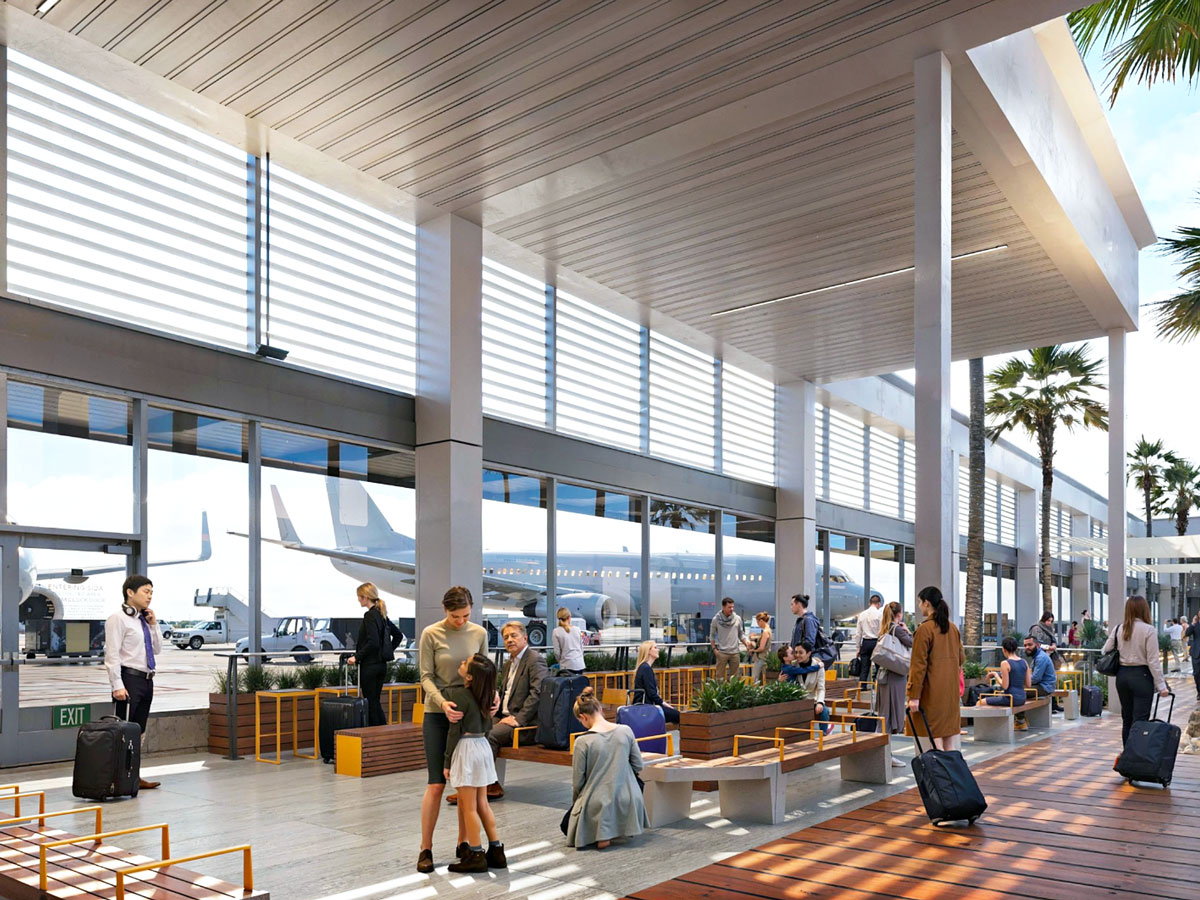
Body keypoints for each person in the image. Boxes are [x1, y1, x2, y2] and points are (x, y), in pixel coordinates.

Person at [416, 586, 489, 874]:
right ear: (445, 610)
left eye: (466, 615)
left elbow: (485, 673)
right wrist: (443, 703)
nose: (461, 621)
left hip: (468, 716)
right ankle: (425, 848)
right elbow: (425, 676)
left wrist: (491, 698)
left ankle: (464, 845)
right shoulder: (430, 634)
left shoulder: (479, 634)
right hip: (437, 714)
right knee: (436, 784)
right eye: (455, 616)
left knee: (466, 786)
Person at [447, 620, 547, 806]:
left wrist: (519, 719)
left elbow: (538, 693)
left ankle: (488, 786)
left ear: (525, 637)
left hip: (526, 724)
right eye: (506, 637)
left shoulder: (535, 660)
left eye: (514, 636)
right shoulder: (509, 663)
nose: (509, 640)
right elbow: (503, 691)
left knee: (488, 736)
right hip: (502, 716)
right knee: (471, 730)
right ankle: (467, 785)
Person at [442, 654, 505, 873]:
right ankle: (496, 850)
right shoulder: (487, 696)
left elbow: (453, 732)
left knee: (468, 807)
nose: (459, 663)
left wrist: (447, 762)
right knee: (482, 804)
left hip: (466, 748)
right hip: (483, 746)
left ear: (469, 676)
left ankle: (476, 854)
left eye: (462, 663)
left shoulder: (459, 695)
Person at [565, 687, 648, 850]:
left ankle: (603, 833)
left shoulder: (582, 741)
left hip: (598, 802)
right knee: (619, 798)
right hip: (630, 799)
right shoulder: (626, 731)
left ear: (582, 717)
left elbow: (578, 782)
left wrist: (577, 804)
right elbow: (638, 765)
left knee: (567, 823)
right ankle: (620, 826)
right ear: (600, 709)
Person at [104, 574, 162, 791]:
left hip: (147, 680)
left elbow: (157, 649)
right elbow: (112, 655)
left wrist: (154, 625)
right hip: (129, 680)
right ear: (130, 592)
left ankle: (133, 775)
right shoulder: (117, 619)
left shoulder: (143, 621)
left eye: (151, 593)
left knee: (139, 732)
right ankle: (115, 778)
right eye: (146, 592)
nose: (149, 597)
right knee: (122, 732)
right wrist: (117, 684)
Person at [1100, 595, 1169, 746]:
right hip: (1142, 677)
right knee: (1140, 720)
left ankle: (1127, 756)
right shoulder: (1149, 630)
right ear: (1145, 609)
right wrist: (1162, 686)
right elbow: (1153, 661)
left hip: (1123, 676)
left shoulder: (1119, 628)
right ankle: (1137, 757)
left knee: (1127, 718)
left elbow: (1105, 650)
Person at [906, 586, 965, 751]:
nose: (919, 606)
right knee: (949, 741)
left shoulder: (924, 629)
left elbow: (918, 666)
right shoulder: (952, 628)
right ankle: (952, 774)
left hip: (932, 692)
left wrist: (914, 696)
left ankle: (940, 776)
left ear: (926, 603)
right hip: (950, 692)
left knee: (934, 739)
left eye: (919, 602)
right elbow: (961, 658)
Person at [345, 582, 391, 727]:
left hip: (370, 667)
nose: (358, 600)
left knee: (371, 703)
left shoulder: (370, 615)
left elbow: (373, 642)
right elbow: (397, 636)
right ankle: (383, 735)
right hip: (381, 666)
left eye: (359, 597)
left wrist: (356, 657)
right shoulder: (382, 615)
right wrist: (384, 652)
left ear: (365, 597)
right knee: (375, 702)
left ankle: (375, 737)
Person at [875, 601, 912, 752]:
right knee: (889, 718)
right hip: (895, 677)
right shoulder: (897, 629)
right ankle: (884, 754)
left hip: (884, 675)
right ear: (899, 614)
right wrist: (908, 630)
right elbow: (912, 643)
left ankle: (884, 753)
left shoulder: (884, 628)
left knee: (884, 716)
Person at [779, 642, 830, 734]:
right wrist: (779, 681)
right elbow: (783, 678)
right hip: (798, 701)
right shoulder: (793, 665)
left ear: (809, 653)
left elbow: (821, 688)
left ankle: (824, 735)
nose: (797, 655)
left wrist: (820, 702)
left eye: (800, 652)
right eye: (796, 652)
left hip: (811, 700)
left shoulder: (818, 666)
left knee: (824, 711)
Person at [980, 637, 1031, 729]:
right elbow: (1028, 684)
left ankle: (990, 729)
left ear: (1003, 649)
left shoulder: (1005, 663)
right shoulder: (1024, 662)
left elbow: (1005, 686)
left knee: (980, 702)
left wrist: (996, 675)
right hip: (1022, 697)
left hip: (1010, 698)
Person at [633, 641, 680, 724]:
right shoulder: (646, 669)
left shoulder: (643, 667)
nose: (658, 650)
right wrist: (665, 704)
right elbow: (652, 694)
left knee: (675, 714)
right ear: (648, 651)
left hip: (644, 707)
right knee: (679, 715)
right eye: (655, 647)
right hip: (648, 708)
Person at [710, 597, 746, 681]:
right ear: (723, 607)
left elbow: (741, 634)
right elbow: (711, 635)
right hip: (722, 652)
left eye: (732, 607)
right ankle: (720, 693)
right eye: (729, 607)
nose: (731, 609)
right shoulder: (716, 620)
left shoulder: (737, 619)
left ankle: (733, 693)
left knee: (735, 679)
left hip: (735, 652)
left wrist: (747, 644)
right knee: (719, 678)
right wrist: (714, 649)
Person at [1023, 635, 1060, 713]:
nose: (1027, 647)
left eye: (1030, 645)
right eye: (1025, 645)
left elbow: (1036, 678)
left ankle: (1020, 719)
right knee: (1016, 690)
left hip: (1045, 687)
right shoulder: (1037, 656)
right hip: (1043, 686)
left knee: (1017, 692)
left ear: (1037, 645)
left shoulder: (1041, 658)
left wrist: (1020, 681)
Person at [854, 595, 883, 681]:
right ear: (879, 604)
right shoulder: (879, 614)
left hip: (865, 643)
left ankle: (862, 686)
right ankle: (878, 686)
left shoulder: (862, 615)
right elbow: (882, 631)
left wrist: (858, 648)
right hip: (876, 642)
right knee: (879, 667)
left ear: (869, 603)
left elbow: (858, 634)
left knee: (864, 667)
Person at [553, 608, 586, 675]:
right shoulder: (577, 629)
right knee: (579, 684)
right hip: (579, 664)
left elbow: (557, 652)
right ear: (569, 617)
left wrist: (560, 661)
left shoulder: (556, 631)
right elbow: (581, 648)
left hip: (566, 664)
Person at [747, 612, 772, 684]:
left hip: (760, 657)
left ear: (761, 621)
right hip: (765, 657)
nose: (758, 624)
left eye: (757, 622)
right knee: (761, 678)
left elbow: (761, 648)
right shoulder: (768, 630)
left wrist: (752, 650)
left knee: (755, 678)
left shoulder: (765, 632)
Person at [1186, 615, 1200, 698]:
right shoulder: (1195, 624)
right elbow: (1187, 633)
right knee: (1197, 673)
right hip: (1196, 653)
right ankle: (1199, 692)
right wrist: (1193, 623)